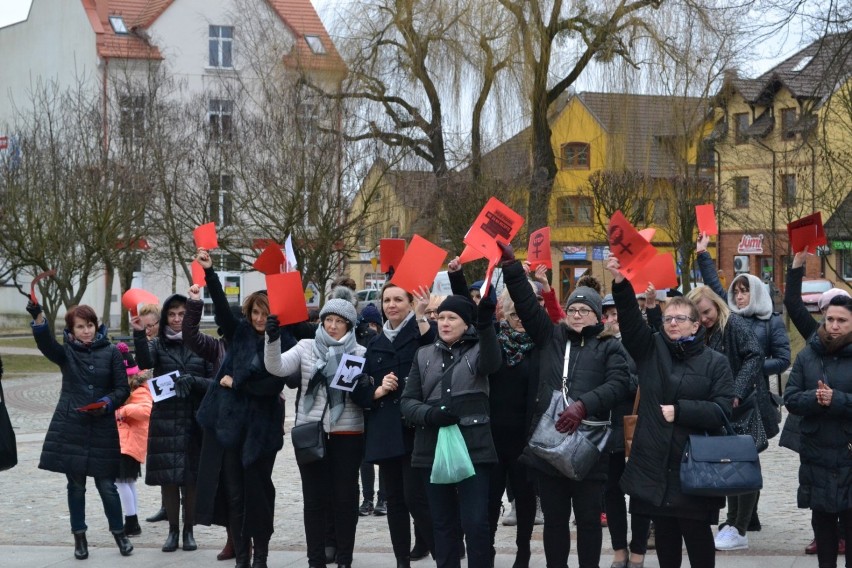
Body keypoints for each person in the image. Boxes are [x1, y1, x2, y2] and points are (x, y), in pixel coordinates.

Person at [500, 244, 630, 568]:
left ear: (598, 316)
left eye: (583, 311)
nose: (576, 315)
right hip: (550, 443)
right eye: (572, 310)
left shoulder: (609, 347)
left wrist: (583, 406)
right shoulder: (551, 337)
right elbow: (528, 306)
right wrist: (512, 268)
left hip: (589, 445)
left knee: (587, 521)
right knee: (555, 521)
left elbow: (618, 385)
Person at [607, 257, 734, 568]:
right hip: (654, 463)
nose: (673, 323)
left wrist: (681, 411)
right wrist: (622, 285)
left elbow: (721, 411)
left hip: (693, 466)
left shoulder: (715, 362)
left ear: (696, 324)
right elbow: (630, 322)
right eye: (667, 319)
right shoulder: (651, 351)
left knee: (697, 537)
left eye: (680, 318)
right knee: (664, 538)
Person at [193, 248, 293, 568]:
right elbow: (222, 310)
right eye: (255, 313)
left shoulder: (280, 342)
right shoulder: (240, 334)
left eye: (265, 313)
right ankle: (242, 556)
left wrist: (236, 383)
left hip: (262, 430)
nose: (260, 319)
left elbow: (272, 385)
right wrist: (209, 272)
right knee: (234, 494)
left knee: (258, 494)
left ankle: (261, 554)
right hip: (232, 426)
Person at [696, 235, 792, 535]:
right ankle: (742, 516)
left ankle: (744, 517)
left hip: (755, 398)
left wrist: (753, 369)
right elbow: (711, 288)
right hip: (732, 399)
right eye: (735, 291)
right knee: (736, 456)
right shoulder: (725, 316)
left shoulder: (768, 321)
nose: (738, 296)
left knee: (747, 456)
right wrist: (703, 255)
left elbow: (782, 358)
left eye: (744, 291)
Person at [400, 292, 501, 568]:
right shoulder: (423, 355)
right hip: (431, 449)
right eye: (440, 317)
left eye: (452, 318)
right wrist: (430, 414)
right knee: (441, 523)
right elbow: (407, 403)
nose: (444, 322)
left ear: (466, 323)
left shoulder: (480, 350)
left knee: (475, 522)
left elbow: (493, 362)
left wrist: (485, 323)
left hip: (473, 448)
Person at [27, 301, 133, 559]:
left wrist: (107, 403)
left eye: (90, 325)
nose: (86, 331)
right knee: (75, 486)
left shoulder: (111, 352)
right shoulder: (67, 352)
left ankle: (119, 534)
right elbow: (46, 345)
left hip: (102, 426)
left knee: (107, 486)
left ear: (96, 326)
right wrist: (39, 316)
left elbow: (122, 389)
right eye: (80, 327)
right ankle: (80, 537)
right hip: (72, 427)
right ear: (71, 330)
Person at [265, 298, 366, 568]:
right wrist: (272, 339)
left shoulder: (358, 352)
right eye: (328, 320)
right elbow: (277, 367)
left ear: (349, 325)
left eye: (339, 322)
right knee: (314, 501)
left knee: (345, 500)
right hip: (311, 433)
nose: (332, 327)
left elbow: (355, 392)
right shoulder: (306, 346)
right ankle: (315, 560)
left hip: (347, 433)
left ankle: (344, 558)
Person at [351, 282, 436, 568]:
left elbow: (437, 351)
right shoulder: (371, 343)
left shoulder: (420, 332)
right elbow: (355, 387)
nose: (391, 305)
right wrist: (377, 390)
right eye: (387, 300)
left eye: (398, 299)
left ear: (410, 303)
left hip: (417, 428)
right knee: (395, 501)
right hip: (386, 430)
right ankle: (402, 560)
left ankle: (442, 552)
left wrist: (423, 317)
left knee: (416, 497)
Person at [685, 285, 764, 551]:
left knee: (744, 463)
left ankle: (740, 527)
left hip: (740, 407)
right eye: (699, 314)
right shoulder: (701, 331)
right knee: (729, 465)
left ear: (717, 304)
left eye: (707, 311)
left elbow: (755, 355)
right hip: (720, 408)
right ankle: (731, 523)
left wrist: (736, 391)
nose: (705, 318)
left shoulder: (733, 324)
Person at [132, 294, 213, 553]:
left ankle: (188, 530)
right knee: (169, 479)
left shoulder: (202, 344)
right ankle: (172, 532)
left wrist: (194, 381)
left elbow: (214, 382)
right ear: (165, 317)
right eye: (173, 314)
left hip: (194, 418)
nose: (177, 319)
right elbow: (144, 362)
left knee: (190, 479)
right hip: (166, 418)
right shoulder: (159, 344)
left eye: (182, 314)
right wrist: (137, 334)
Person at [784, 247, 851, 555]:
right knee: (822, 516)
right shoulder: (814, 343)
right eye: (830, 318)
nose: (834, 326)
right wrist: (797, 264)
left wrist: (835, 399)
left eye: (842, 320)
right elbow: (793, 304)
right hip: (818, 449)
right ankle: (826, 537)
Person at [487, 285, 539, 568]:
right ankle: (489, 547)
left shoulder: (540, 345)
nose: (519, 318)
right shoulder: (495, 340)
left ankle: (523, 550)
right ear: (505, 314)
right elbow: (478, 319)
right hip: (494, 433)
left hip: (525, 434)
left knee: (525, 496)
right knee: (491, 497)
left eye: (524, 312)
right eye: (514, 313)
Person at [600, 294, 651, 568]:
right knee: (612, 492)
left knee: (640, 493)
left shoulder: (640, 343)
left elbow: (647, 380)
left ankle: (638, 551)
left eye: (618, 313)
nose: (613, 319)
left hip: (636, 427)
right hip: (607, 430)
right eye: (608, 314)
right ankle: (619, 550)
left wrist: (619, 381)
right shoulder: (600, 343)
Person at [114, 343, 153, 539]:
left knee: (122, 483)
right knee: (127, 482)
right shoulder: (126, 390)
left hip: (130, 444)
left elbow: (146, 411)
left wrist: (123, 411)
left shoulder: (139, 390)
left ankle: (131, 521)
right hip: (125, 442)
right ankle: (133, 519)